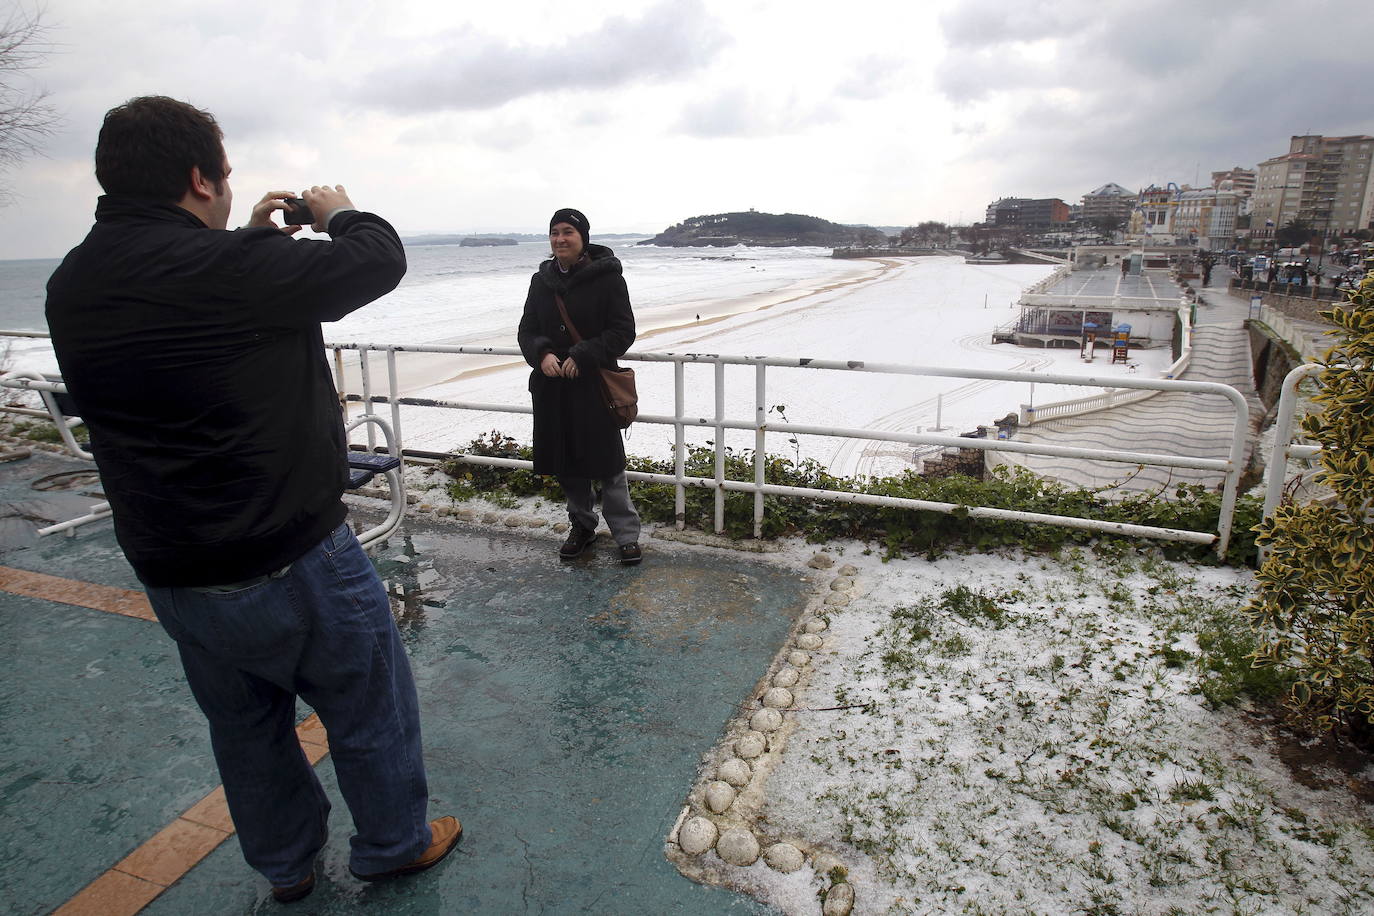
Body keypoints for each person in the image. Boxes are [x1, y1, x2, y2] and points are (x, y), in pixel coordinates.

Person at [44, 96, 459, 903]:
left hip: (174, 566)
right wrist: (344, 214)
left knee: (245, 729)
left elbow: (190, 326)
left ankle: (287, 867)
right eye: (225, 175)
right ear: (201, 178)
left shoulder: (71, 283)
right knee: (369, 705)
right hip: (291, 552)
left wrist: (254, 241)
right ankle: (393, 845)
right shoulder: (228, 270)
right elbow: (377, 260)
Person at [517, 208, 643, 565]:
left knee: (608, 466)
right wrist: (541, 354)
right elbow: (527, 330)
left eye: (568, 232)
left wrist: (585, 353)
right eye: (555, 232)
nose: (560, 239)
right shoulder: (540, 281)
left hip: (593, 387)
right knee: (567, 465)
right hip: (553, 387)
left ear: (582, 237)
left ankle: (626, 536)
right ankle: (582, 526)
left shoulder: (608, 278)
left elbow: (623, 331)